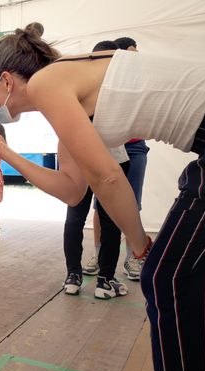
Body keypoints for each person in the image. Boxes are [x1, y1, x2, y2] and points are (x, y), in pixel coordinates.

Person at [0, 22, 205, 371]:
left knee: (165, 279)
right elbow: (72, 191)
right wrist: (4, 153)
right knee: (182, 278)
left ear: (6, 81)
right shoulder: (68, 89)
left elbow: (108, 180)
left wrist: (139, 246)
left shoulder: (46, 84)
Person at [62, 40, 131, 297]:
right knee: (111, 220)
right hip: (111, 160)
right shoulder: (119, 86)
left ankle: (73, 276)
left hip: (79, 160)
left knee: (75, 218)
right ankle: (105, 280)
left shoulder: (76, 83)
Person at [84, 36, 150, 280]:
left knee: (133, 203)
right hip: (107, 147)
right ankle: (99, 255)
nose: (134, 56)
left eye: (136, 51)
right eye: (129, 51)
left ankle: (133, 257)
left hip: (134, 148)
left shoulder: (138, 82)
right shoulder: (103, 82)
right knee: (101, 206)